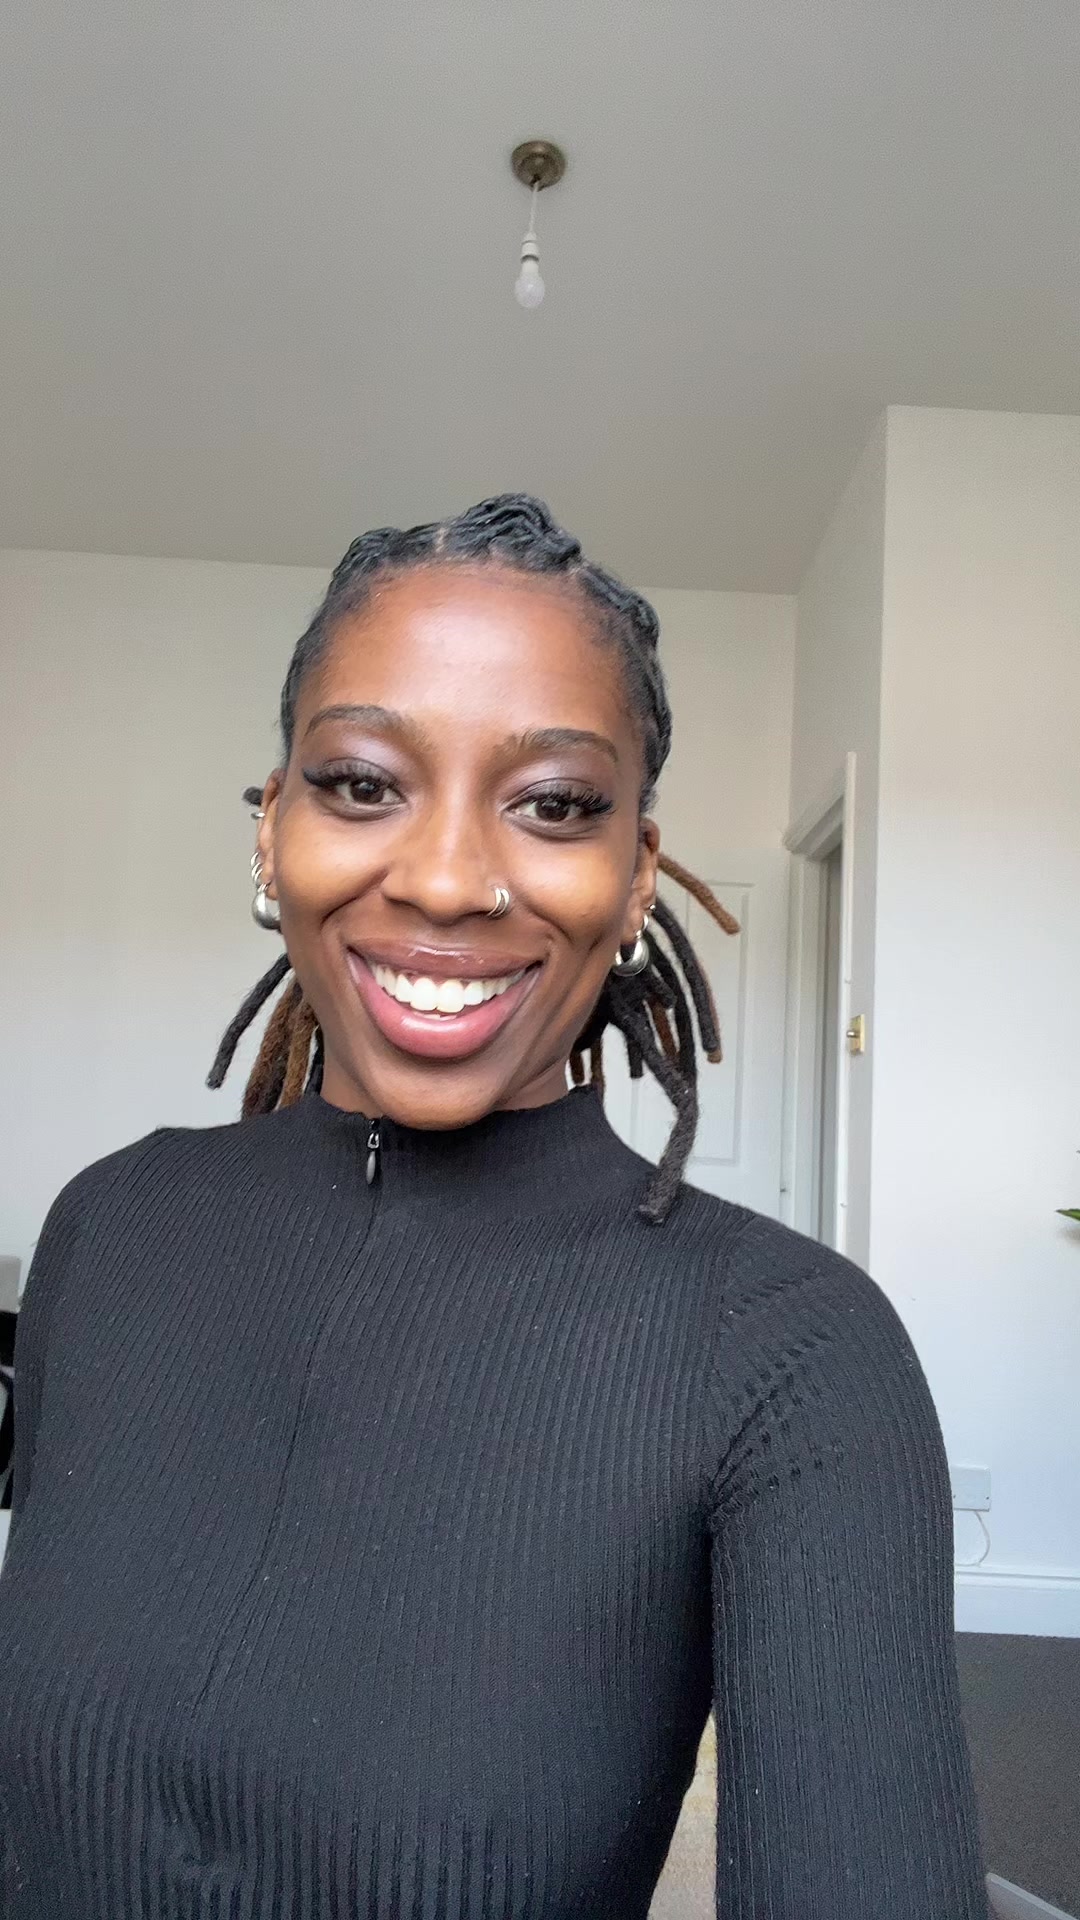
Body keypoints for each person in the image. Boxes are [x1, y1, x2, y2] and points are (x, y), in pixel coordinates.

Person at [0, 495, 985, 1917]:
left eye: (556, 804)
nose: (449, 880)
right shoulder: (114, 1227)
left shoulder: (792, 1349)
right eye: (361, 784)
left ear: (634, 876)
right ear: (273, 829)